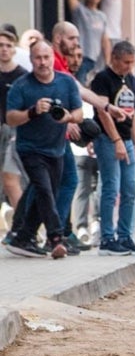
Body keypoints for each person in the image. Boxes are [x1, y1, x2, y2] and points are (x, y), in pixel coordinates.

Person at [4, 40, 83, 258]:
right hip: (29, 148)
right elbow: (10, 118)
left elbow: (79, 113)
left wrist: (68, 117)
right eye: (38, 58)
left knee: (45, 193)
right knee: (44, 189)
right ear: (31, 60)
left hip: (56, 149)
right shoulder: (22, 85)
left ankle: (24, 237)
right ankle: (56, 238)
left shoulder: (66, 83)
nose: (43, 62)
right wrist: (32, 111)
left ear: (53, 58)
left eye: (46, 57)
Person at [88, 41, 135, 256]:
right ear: (114, 59)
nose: (129, 66)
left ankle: (125, 236)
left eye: (132, 62)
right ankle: (107, 238)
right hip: (108, 139)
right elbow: (103, 112)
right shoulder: (102, 79)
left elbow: (132, 113)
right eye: (126, 62)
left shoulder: (128, 80)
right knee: (110, 187)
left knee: (130, 189)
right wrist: (116, 140)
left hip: (126, 139)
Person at [0, 26, 29, 217]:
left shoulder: (22, 76)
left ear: (14, 48)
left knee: (12, 178)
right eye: (0, 45)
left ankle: (23, 225)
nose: (3, 49)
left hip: (15, 131)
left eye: (8, 45)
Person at [65, 0, 110, 83]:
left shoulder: (102, 16)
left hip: (94, 61)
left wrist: (108, 62)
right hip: (80, 58)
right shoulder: (80, 11)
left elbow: (105, 41)